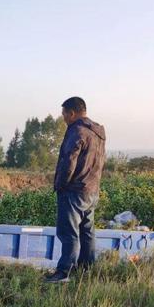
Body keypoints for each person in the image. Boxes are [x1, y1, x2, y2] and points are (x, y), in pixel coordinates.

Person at [46, 96, 106, 283]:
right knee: (87, 232)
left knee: (68, 233)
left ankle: (64, 272)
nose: (63, 118)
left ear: (72, 113)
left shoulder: (76, 131)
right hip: (92, 189)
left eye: (64, 114)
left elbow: (68, 161)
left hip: (74, 190)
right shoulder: (98, 132)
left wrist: (60, 185)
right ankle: (86, 270)